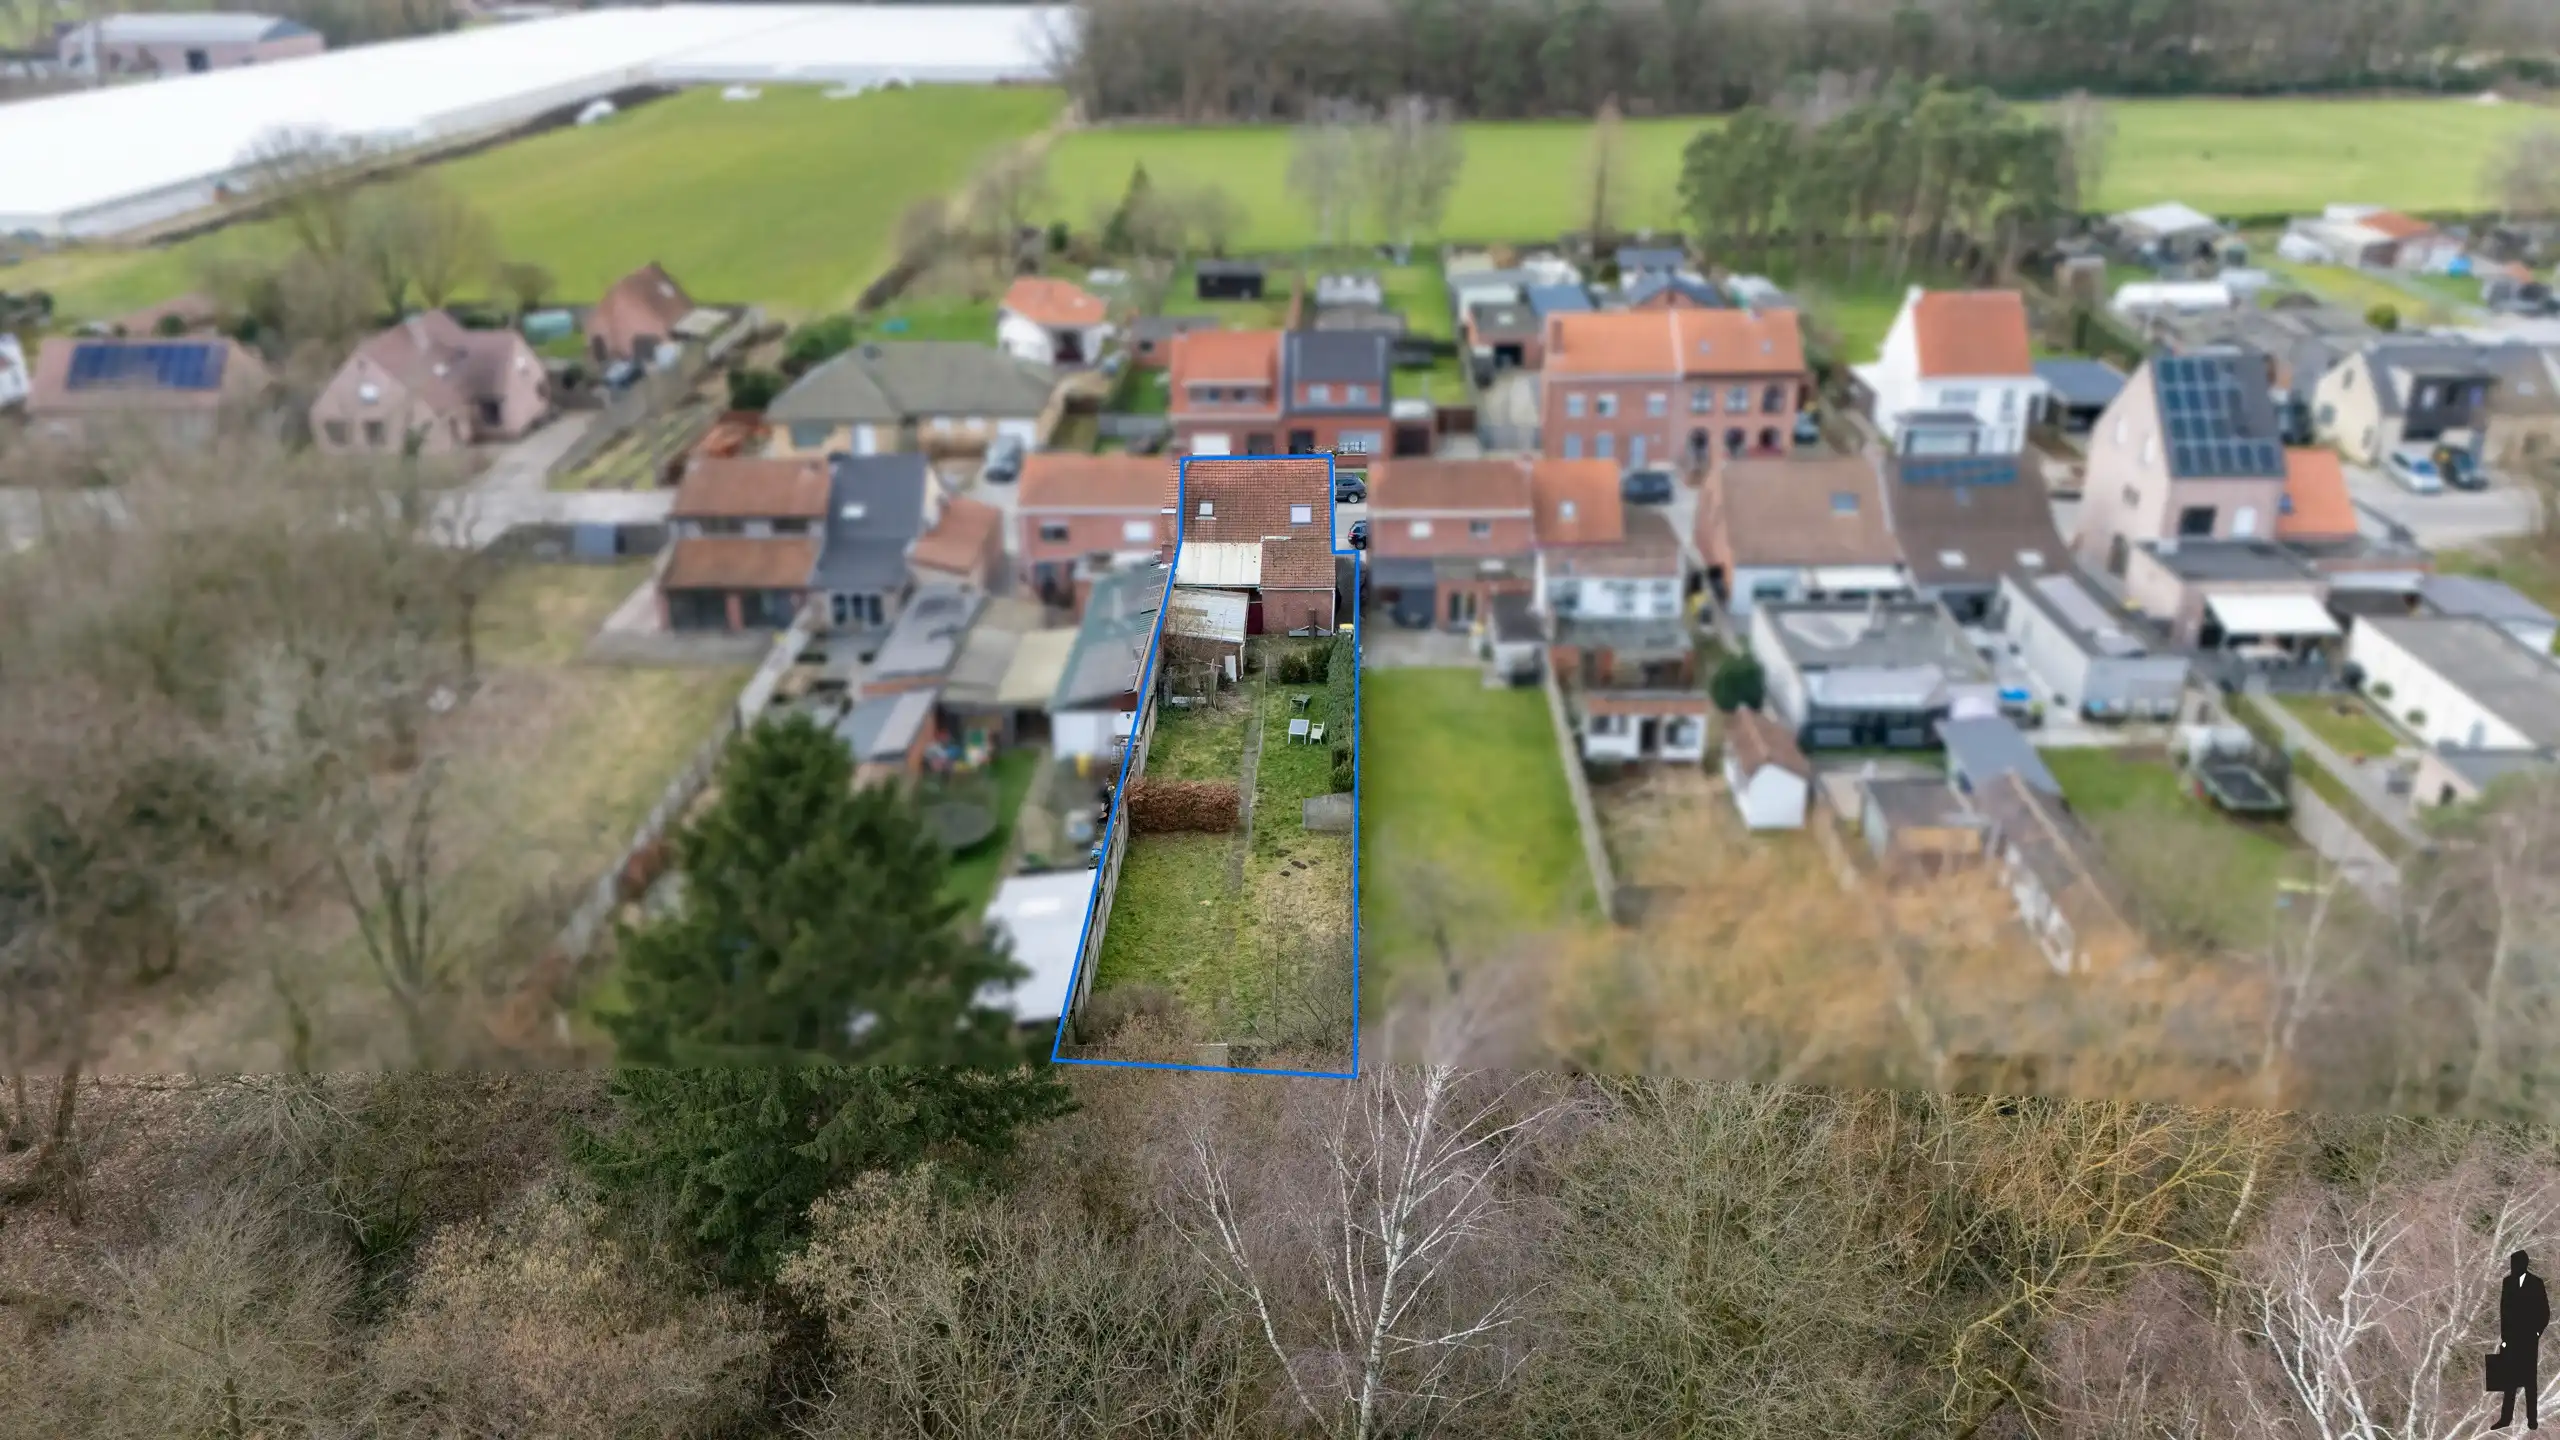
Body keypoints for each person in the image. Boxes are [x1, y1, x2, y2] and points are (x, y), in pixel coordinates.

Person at [2500, 1250, 2550, 1429]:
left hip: (2529, 1340)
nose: (2512, 1267)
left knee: (2530, 1380)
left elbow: (2545, 1312)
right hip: (2511, 1339)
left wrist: (2536, 1333)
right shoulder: (2507, 1282)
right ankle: (2506, 1418)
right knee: (2509, 1380)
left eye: (2515, 1263)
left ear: (2524, 1264)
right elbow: (2504, 1312)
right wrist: (2504, 1338)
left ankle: (2532, 1419)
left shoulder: (2536, 1283)